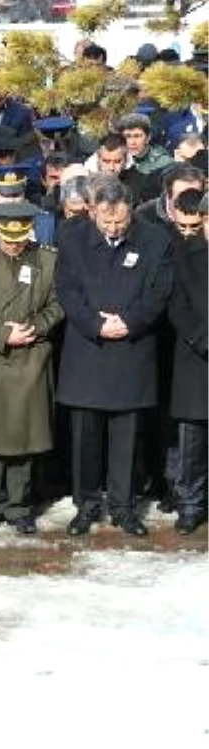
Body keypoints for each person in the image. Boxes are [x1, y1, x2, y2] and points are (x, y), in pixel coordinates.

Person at [56, 177, 173, 536]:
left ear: (130, 213)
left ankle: (124, 508)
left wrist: (130, 322)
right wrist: (95, 324)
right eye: (106, 222)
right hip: (87, 352)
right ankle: (86, 506)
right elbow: (66, 289)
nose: (113, 228)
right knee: (85, 438)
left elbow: (159, 291)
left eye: (120, 222)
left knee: (128, 438)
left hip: (131, 351)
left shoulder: (155, 240)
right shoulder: (72, 239)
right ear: (92, 212)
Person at [0, 202, 65, 534]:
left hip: (31, 357)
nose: (14, 244)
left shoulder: (48, 260)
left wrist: (34, 328)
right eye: (7, 238)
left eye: (19, 238)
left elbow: (58, 303)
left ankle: (19, 505)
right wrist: (4, 333)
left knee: (23, 437)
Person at [167, 213, 209, 534]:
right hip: (197, 355)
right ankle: (190, 504)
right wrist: (202, 338)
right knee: (192, 437)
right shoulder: (183, 253)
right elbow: (176, 303)